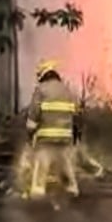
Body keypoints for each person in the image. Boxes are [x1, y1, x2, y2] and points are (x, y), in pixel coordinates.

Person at [26, 59, 80, 199]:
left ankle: (38, 192)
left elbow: (34, 114)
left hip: (46, 137)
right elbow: (75, 114)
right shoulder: (67, 90)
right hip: (65, 137)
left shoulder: (41, 90)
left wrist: (30, 131)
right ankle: (71, 188)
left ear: (43, 74)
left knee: (42, 164)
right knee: (64, 163)